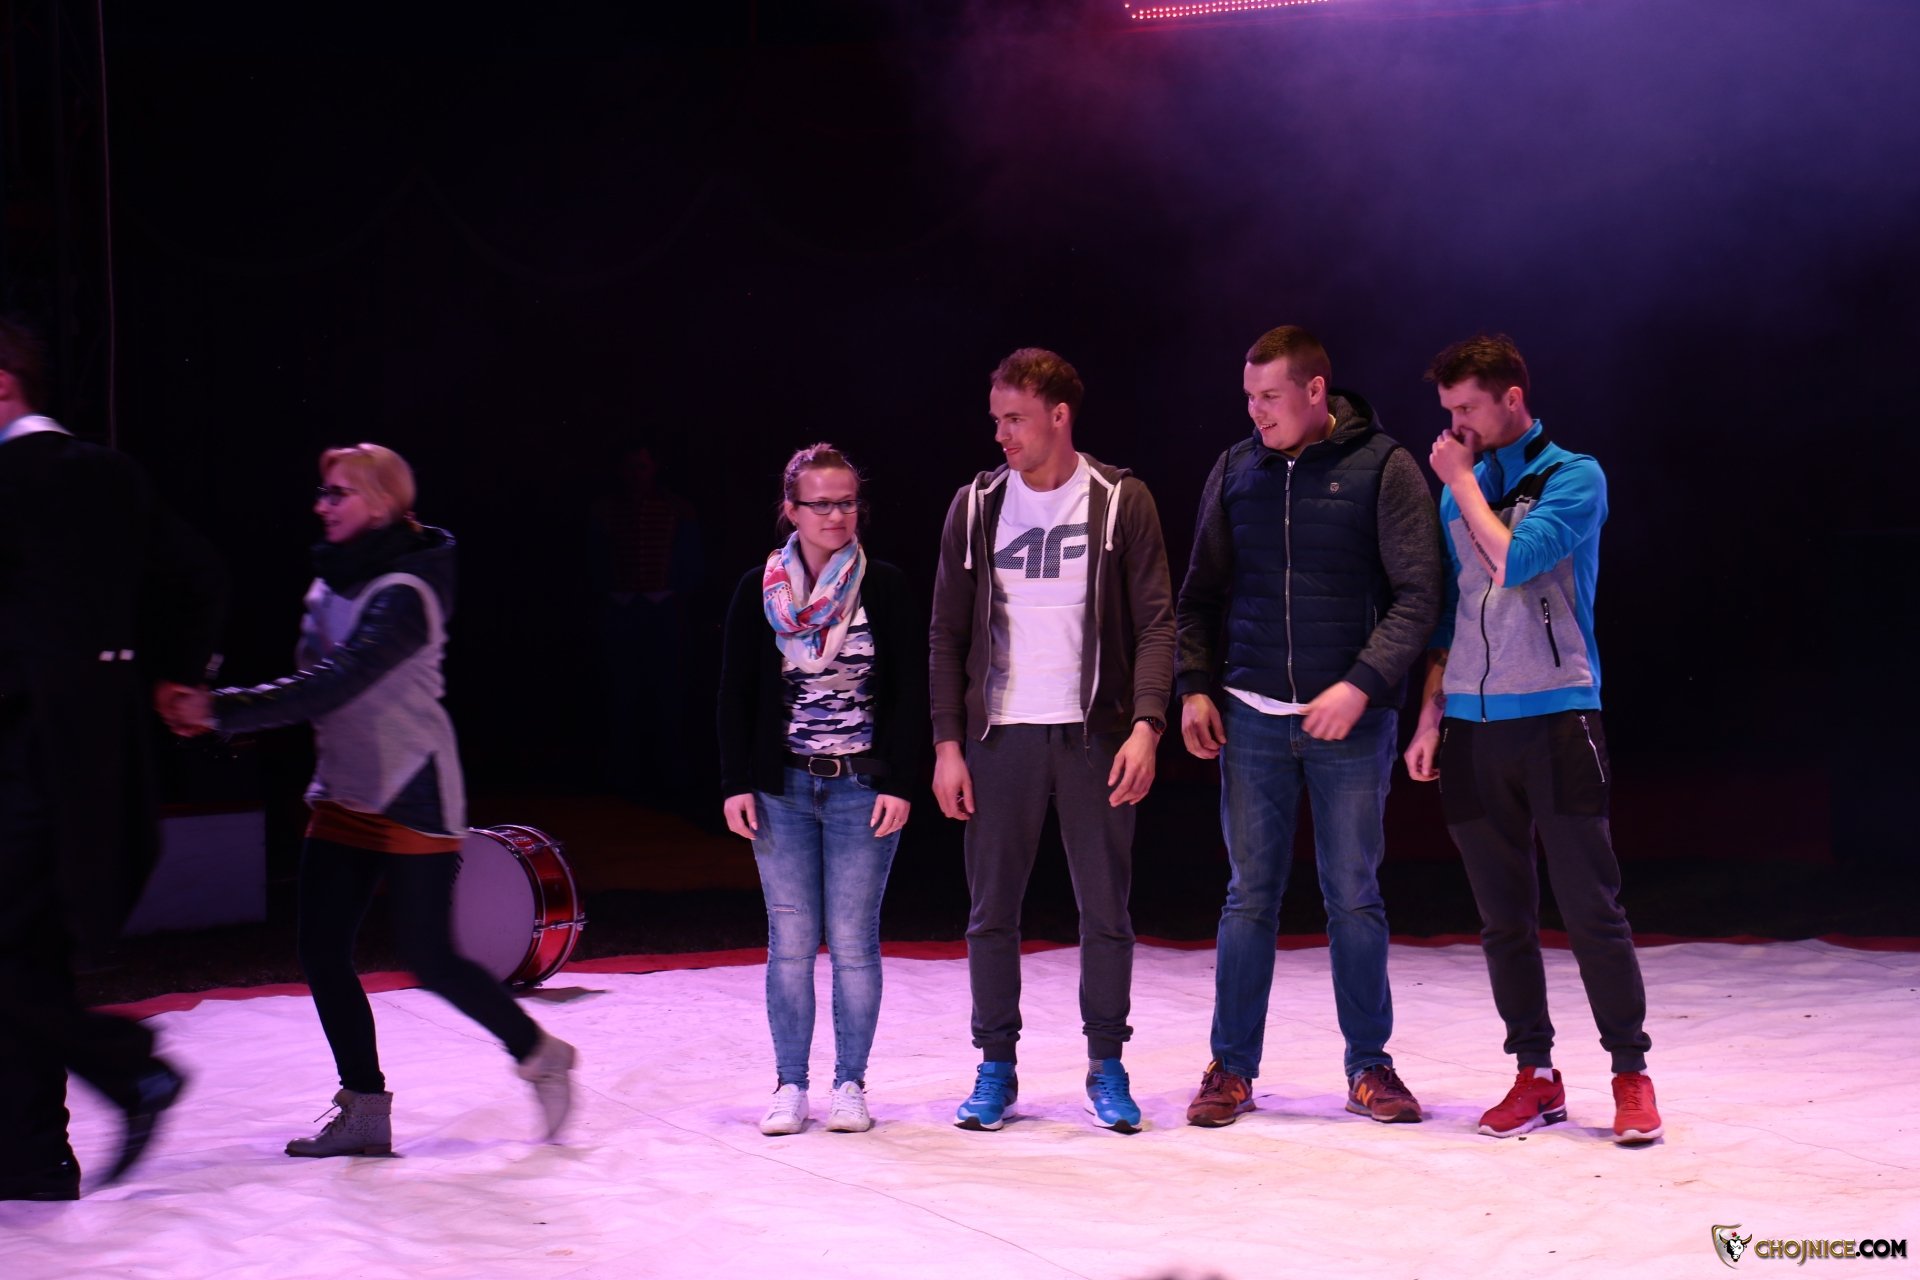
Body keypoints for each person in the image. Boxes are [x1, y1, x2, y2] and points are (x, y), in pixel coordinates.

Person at [173, 443, 576, 1155]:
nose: (322, 505)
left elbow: (335, 682)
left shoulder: (405, 592)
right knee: (322, 948)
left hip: (412, 789)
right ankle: (364, 1108)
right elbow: (316, 686)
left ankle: (540, 1053)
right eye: (321, 492)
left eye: (339, 493)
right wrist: (214, 707)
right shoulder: (333, 579)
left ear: (383, 504)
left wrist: (221, 711)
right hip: (346, 787)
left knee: (429, 955)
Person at [1175, 325, 1443, 1128]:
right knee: (1247, 898)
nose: (1255, 412)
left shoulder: (1385, 467)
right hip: (1252, 718)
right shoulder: (1235, 468)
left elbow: (1419, 596)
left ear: (1315, 391)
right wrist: (1195, 689)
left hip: (1350, 727)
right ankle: (1230, 1069)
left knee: (1353, 896)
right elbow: (1198, 597)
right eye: (1249, 398)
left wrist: (1360, 685)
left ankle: (1370, 1067)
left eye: (1269, 397)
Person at [1403, 333, 1662, 1144]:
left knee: (1591, 908)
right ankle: (1535, 1073)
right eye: (1447, 410)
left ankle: (1630, 1073)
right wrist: (1430, 715)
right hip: (1474, 730)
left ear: (1512, 399)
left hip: (1557, 717)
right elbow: (1453, 611)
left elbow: (1516, 562)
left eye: (1468, 408)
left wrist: (1458, 482)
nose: (1455, 425)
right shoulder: (1466, 487)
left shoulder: (1574, 476)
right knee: (1502, 918)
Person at [0, 316, 224, 1200]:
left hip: (25, 758)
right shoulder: (111, 473)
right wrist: (177, 676)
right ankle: (32, 1157)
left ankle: (132, 1071)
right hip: (99, 767)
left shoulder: (15, 482)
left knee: (16, 954)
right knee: (25, 955)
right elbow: (199, 575)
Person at [930, 347, 1175, 1133]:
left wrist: (1147, 724)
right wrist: (947, 744)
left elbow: (1157, 623)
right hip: (1001, 736)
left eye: (1016, 419)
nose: (1001, 434)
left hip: (1092, 736)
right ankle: (995, 1065)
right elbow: (945, 634)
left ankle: (1107, 1064)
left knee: (1105, 909)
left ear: (1059, 416)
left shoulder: (1119, 498)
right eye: (996, 419)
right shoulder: (976, 505)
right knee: (990, 912)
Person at [716, 443, 927, 1135]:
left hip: (860, 787)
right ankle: (789, 1084)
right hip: (781, 789)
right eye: (822, 504)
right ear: (792, 510)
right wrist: (736, 782)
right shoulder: (760, 591)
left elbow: (909, 692)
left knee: (854, 942)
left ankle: (850, 1084)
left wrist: (899, 780)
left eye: (847, 503)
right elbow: (735, 693)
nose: (837, 515)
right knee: (791, 941)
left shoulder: (883, 585)